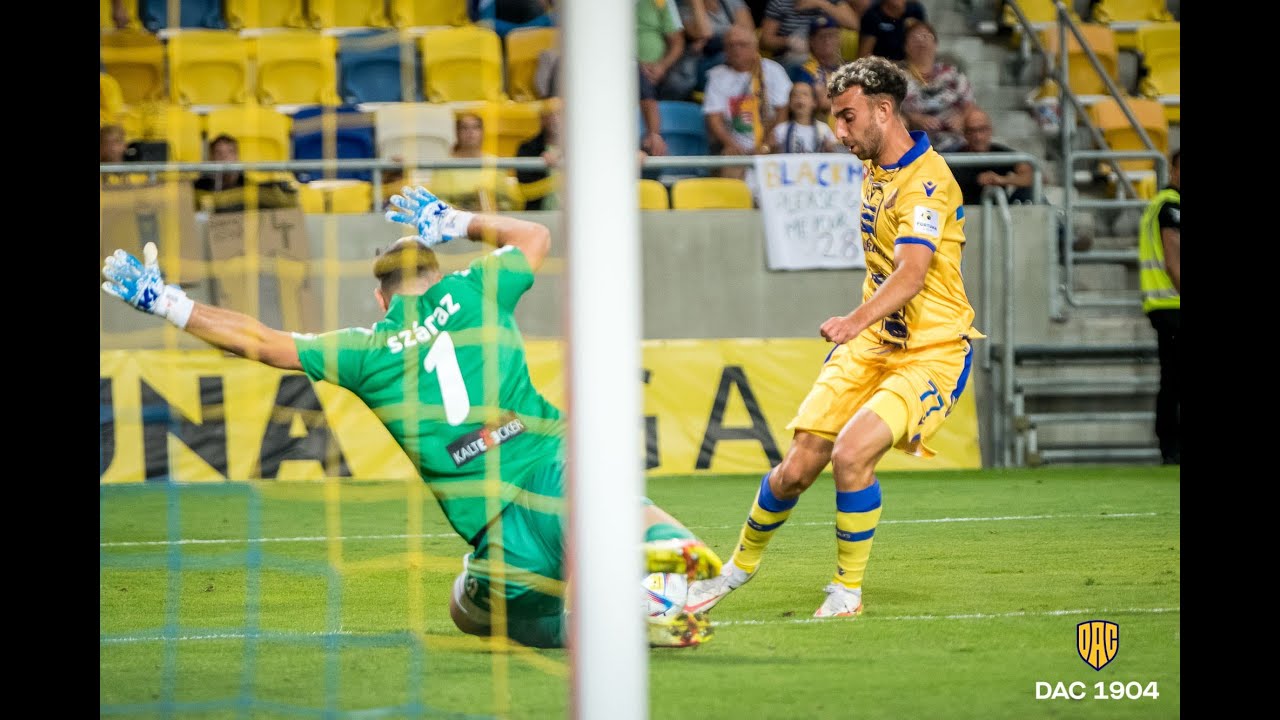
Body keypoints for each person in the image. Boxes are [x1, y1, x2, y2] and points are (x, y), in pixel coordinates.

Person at [101, 186, 724, 649]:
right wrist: (454, 219)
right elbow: (536, 237)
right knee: (616, 505)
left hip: (497, 534)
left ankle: (602, 620)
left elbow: (259, 343)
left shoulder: (365, 350)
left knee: (465, 610)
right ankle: (663, 567)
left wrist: (168, 302)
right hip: (555, 471)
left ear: (380, 297)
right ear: (437, 273)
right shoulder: (478, 287)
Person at [686, 55, 983, 618]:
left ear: (883, 109)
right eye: (834, 119)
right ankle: (734, 571)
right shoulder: (877, 165)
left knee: (851, 455)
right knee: (797, 467)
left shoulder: (926, 181)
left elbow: (913, 272)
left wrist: (854, 320)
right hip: (875, 344)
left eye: (847, 118)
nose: (838, 132)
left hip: (931, 350)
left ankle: (846, 591)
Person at [702, 24, 793, 180]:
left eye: (742, 45)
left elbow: (783, 112)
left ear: (754, 46)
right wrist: (730, 144)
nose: (736, 49)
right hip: (736, 146)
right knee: (729, 164)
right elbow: (714, 119)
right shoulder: (717, 76)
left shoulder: (773, 70)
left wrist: (766, 145)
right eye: (731, 45)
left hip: (771, 143)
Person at [1137, 148, 1179, 466]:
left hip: (1163, 303)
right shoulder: (1171, 205)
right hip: (1171, 302)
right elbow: (1173, 257)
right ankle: (1171, 448)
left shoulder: (1162, 204)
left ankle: (1169, 446)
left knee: (1172, 376)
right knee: (1174, 378)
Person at [898, 18, 974, 152]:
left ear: (936, 44)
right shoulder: (898, 76)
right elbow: (889, 108)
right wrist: (913, 117)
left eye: (926, 36)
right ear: (906, 46)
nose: (921, 40)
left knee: (978, 118)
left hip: (953, 139)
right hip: (915, 142)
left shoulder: (951, 73)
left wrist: (961, 117)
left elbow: (969, 103)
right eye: (915, 37)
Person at [947, 107, 1034, 206]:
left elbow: (1031, 175)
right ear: (964, 134)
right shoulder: (954, 159)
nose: (978, 136)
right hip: (964, 212)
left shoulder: (1001, 154)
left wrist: (1001, 180)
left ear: (990, 130)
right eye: (972, 131)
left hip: (999, 209)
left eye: (982, 130)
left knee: (1028, 193)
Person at [789, 13, 845, 122]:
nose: (827, 40)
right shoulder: (805, 71)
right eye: (821, 36)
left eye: (831, 35)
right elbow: (821, 103)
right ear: (812, 42)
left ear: (839, 39)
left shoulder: (848, 67)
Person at [515, 99, 563, 210]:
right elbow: (525, 189)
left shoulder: (579, 150)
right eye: (549, 115)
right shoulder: (527, 149)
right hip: (538, 214)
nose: (555, 120)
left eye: (559, 114)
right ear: (541, 119)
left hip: (573, 215)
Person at [768, 82, 839, 153]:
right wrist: (772, 148)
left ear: (814, 103)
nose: (799, 97)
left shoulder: (823, 129)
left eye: (805, 94)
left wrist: (831, 148)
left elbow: (835, 150)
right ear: (789, 103)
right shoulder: (781, 130)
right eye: (795, 95)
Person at [857, 0, 926, 61]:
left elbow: (925, 43)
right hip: (883, 69)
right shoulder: (873, 16)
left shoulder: (915, 11)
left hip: (912, 69)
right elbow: (864, 57)